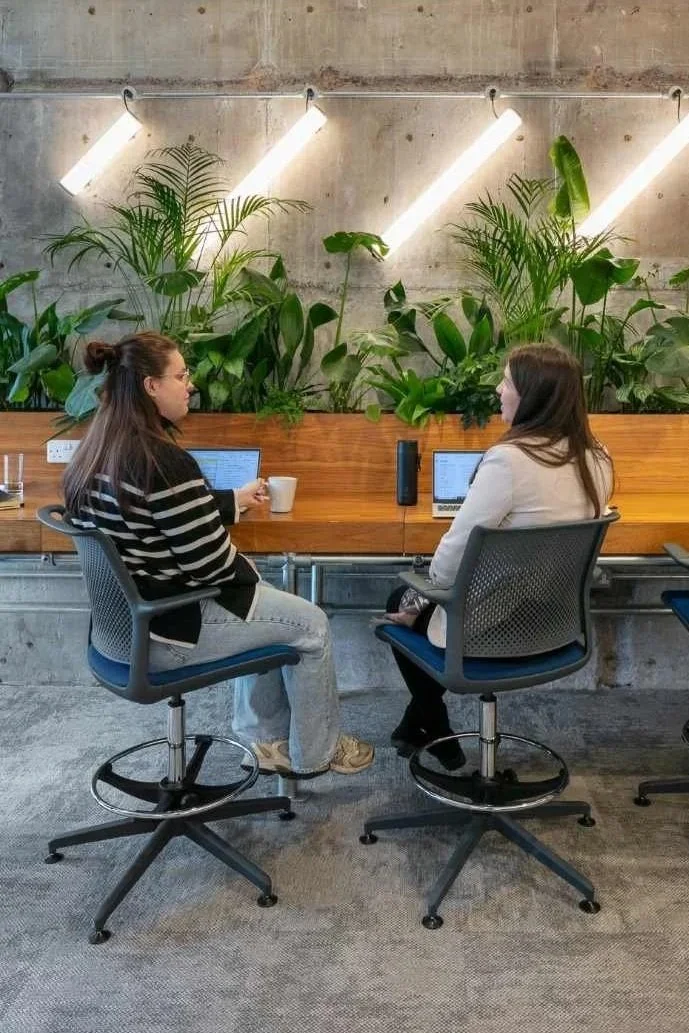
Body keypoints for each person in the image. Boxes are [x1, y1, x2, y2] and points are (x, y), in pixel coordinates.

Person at [63, 331, 374, 779]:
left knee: (268, 607)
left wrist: (229, 502)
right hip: (170, 632)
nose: (190, 385)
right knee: (310, 624)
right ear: (151, 386)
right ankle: (317, 754)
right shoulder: (164, 461)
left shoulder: (96, 453)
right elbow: (211, 567)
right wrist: (239, 558)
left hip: (123, 629)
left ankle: (266, 741)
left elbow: (155, 514)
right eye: (181, 375)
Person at [383, 343, 613, 769]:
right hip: (554, 627)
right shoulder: (597, 459)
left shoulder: (509, 461)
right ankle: (424, 724)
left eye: (506, 381)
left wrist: (421, 600)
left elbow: (444, 568)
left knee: (401, 596)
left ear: (532, 396)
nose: (497, 389)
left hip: (490, 631)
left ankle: (432, 723)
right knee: (417, 601)